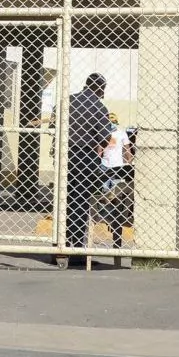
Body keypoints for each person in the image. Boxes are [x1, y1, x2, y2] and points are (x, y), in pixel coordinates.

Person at [58, 73, 111, 265]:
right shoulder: (98, 107)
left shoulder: (67, 102)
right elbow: (105, 137)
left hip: (65, 154)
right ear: (100, 88)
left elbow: (55, 123)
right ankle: (77, 250)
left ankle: (60, 246)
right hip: (85, 156)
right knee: (80, 201)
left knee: (63, 200)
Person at [97, 121, 135, 249]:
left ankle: (113, 218)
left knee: (115, 194)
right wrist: (98, 160)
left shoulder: (121, 133)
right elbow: (100, 148)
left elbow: (127, 149)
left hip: (117, 166)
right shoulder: (104, 132)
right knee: (105, 193)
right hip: (104, 165)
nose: (112, 125)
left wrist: (129, 161)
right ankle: (106, 217)